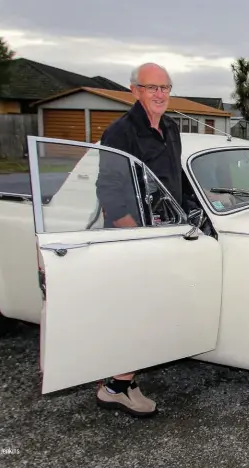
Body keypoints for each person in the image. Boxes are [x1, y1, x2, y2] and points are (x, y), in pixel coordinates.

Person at [93, 62, 183, 418]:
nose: (160, 94)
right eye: (152, 87)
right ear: (135, 91)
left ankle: (123, 381)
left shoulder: (172, 128)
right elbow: (109, 190)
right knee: (138, 313)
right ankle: (115, 387)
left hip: (165, 233)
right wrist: (137, 233)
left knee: (154, 312)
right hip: (133, 238)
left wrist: (189, 217)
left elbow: (175, 181)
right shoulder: (120, 133)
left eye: (165, 87)